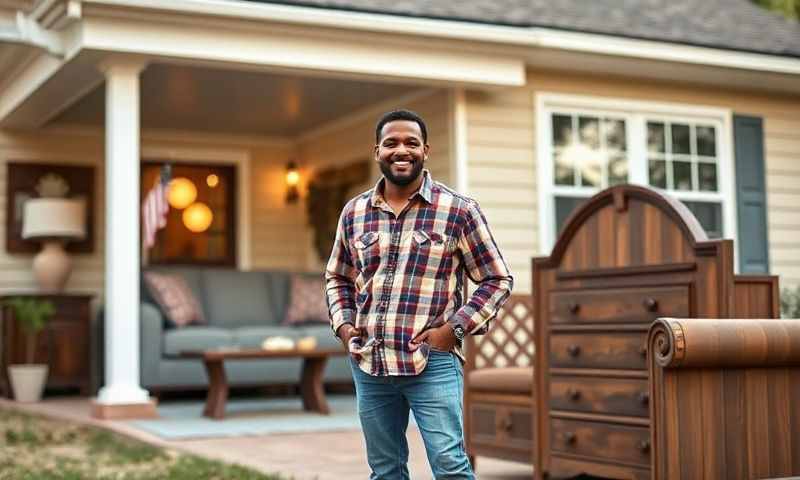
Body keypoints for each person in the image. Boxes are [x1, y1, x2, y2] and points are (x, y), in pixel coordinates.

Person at [325, 109, 513, 479]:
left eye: (411, 143)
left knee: (450, 466)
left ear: (425, 150)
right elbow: (338, 277)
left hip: (432, 362)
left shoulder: (458, 210)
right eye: (391, 143)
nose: (401, 150)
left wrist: (454, 330)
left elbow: (497, 279)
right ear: (377, 151)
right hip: (370, 362)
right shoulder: (354, 212)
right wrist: (345, 326)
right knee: (385, 469)